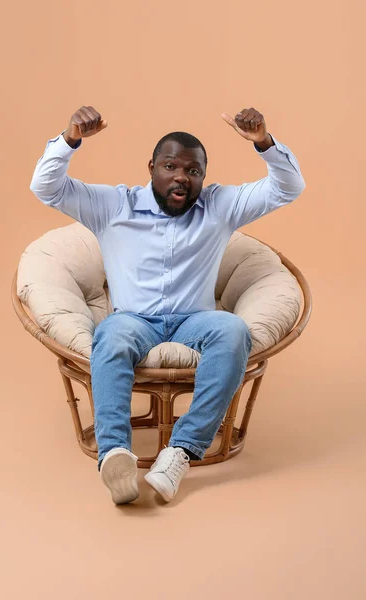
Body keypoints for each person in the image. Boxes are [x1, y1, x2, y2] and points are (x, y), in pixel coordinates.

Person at [30, 105, 305, 505]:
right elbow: (46, 187)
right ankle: (115, 455)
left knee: (233, 331)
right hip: (134, 320)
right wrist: (70, 139)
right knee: (110, 336)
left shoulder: (219, 206)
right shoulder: (113, 206)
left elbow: (288, 187)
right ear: (152, 167)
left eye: (193, 171)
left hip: (194, 320)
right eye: (171, 166)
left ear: (203, 179)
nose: (181, 177)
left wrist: (263, 142)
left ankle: (179, 452)